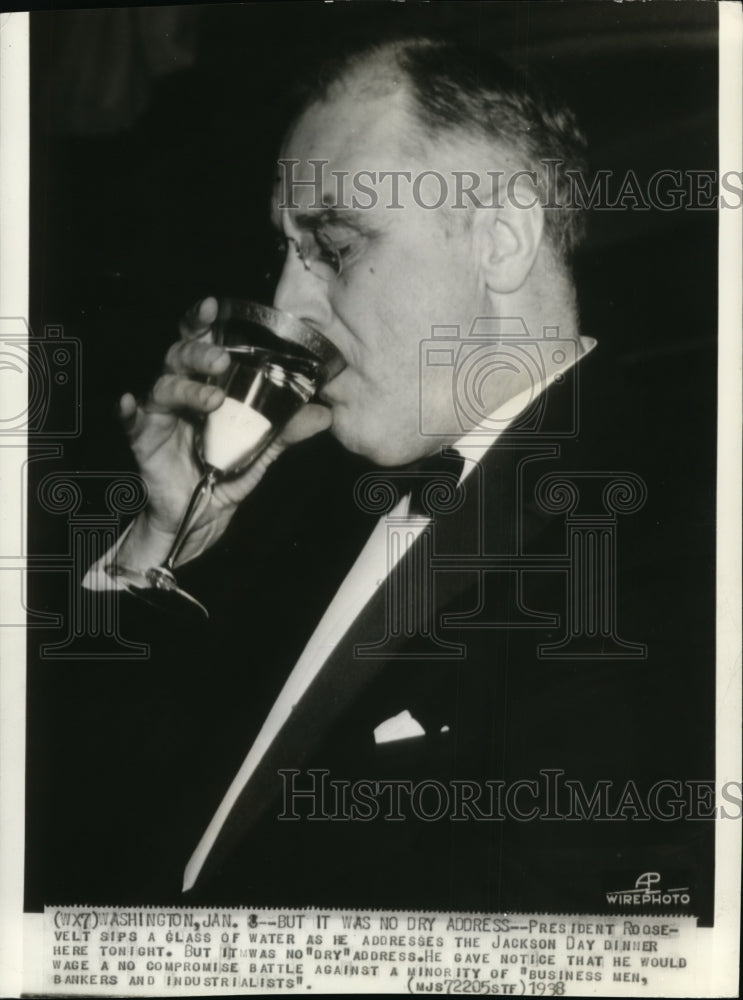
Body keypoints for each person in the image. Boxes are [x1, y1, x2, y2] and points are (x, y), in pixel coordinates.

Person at [68, 37, 713, 918]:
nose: (288, 307)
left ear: (501, 237)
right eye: (286, 252)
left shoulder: (681, 522)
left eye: (333, 245)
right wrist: (160, 539)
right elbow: (74, 820)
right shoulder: (295, 494)